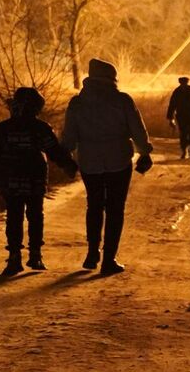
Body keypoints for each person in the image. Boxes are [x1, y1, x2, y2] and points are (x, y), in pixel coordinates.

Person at [61, 58, 153, 275]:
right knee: (115, 209)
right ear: (112, 78)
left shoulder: (77, 103)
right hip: (118, 161)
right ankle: (109, 259)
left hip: (89, 162)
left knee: (93, 206)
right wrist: (144, 152)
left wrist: (67, 158)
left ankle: (92, 253)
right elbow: (137, 131)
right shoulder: (122, 100)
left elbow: (69, 139)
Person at [0, 87, 78, 276]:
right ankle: (35, 255)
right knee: (35, 216)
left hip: (10, 181)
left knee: (14, 216)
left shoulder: (3, 128)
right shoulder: (41, 128)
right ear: (36, 107)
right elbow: (54, 151)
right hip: (35, 180)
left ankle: (14, 257)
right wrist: (69, 166)